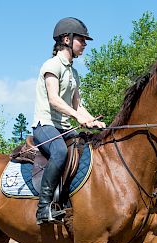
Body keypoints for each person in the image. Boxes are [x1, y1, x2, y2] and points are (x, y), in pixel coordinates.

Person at [31, 17, 106, 225]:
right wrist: (77, 116)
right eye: (81, 39)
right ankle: (43, 208)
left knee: (91, 148)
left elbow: (78, 105)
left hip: (64, 128)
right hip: (45, 125)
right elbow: (54, 100)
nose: (85, 44)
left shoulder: (73, 72)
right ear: (66, 39)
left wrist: (92, 121)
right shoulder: (52, 65)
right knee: (60, 152)